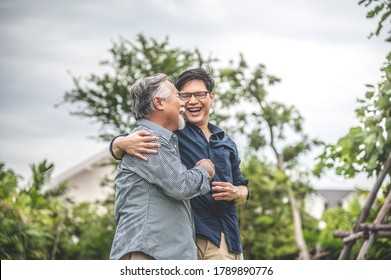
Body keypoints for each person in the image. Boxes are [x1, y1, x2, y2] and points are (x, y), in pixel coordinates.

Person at [110, 68, 249, 260]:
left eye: (199, 94)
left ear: (211, 97)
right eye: (183, 95)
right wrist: (118, 143)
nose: (190, 101)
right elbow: (142, 135)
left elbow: (243, 186)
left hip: (226, 237)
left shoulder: (226, 143)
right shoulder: (173, 133)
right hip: (191, 238)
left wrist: (238, 192)